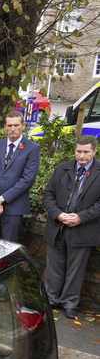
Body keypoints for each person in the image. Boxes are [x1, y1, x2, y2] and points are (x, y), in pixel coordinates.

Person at [43, 136, 100, 319]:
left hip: (83, 229)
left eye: (86, 152)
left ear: (94, 152)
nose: (81, 156)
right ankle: (50, 300)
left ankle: (69, 303)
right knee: (54, 266)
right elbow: (48, 195)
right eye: (78, 151)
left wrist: (81, 217)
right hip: (58, 225)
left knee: (76, 270)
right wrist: (58, 214)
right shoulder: (63, 168)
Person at [0, 109, 40, 241]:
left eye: (16, 125)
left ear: (23, 126)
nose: (13, 128)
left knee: (8, 248)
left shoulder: (32, 149)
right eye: (9, 125)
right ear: (5, 127)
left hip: (14, 208)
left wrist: (1, 199)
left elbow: (27, 180)